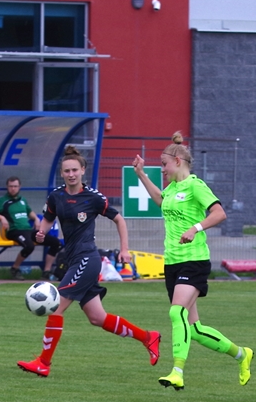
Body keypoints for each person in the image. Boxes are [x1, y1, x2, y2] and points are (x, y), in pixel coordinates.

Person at [17, 145, 161, 377]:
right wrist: (41, 233)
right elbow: (47, 220)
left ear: (83, 170)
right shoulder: (56, 196)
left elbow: (119, 220)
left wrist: (125, 250)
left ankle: (43, 363)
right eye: (67, 171)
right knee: (97, 318)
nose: (71, 174)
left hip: (87, 259)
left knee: (55, 307)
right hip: (73, 260)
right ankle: (148, 337)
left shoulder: (93, 198)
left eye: (75, 170)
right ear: (62, 173)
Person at [134, 133, 253, 390]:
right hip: (173, 263)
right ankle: (242, 354)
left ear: (177, 161)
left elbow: (219, 213)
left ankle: (177, 371)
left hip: (194, 260)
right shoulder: (172, 189)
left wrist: (195, 228)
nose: (162, 170)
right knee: (194, 329)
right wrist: (141, 175)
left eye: (164, 164)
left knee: (176, 312)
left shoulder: (195, 185)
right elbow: (160, 200)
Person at [0, 176, 63, 280]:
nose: (13, 189)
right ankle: (15, 268)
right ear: (7, 187)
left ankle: (46, 271)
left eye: (15, 186)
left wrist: (36, 219)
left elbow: (29, 211)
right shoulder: (3, 201)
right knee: (29, 246)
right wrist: (1, 217)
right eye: (11, 186)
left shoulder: (22, 200)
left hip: (28, 230)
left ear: (19, 187)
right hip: (14, 231)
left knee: (55, 242)